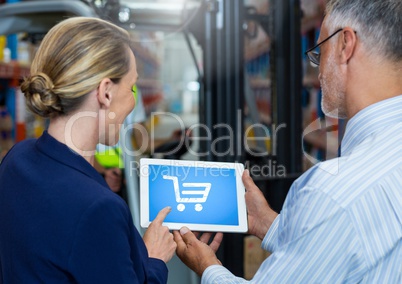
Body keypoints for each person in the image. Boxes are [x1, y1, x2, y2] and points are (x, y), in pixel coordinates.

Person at [173, 0, 402, 282]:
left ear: (345, 45)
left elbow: (341, 220)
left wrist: (207, 266)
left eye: (319, 52)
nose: (316, 71)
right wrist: (268, 222)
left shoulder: (333, 192)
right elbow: (346, 246)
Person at [0, 17, 176, 283]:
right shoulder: (99, 209)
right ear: (105, 92)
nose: (132, 99)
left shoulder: (16, 159)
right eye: (131, 87)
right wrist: (153, 261)